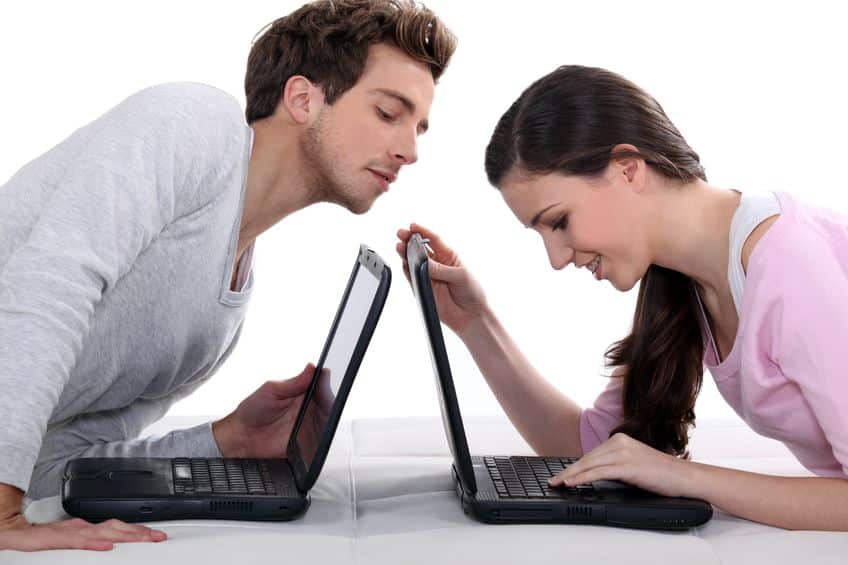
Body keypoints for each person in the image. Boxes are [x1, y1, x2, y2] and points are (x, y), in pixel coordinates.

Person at [0, 0, 455, 551]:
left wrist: (226, 441)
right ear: (303, 99)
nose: (409, 150)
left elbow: (56, 465)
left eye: (421, 129)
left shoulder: (221, 323)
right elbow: (48, 284)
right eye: (389, 113)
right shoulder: (193, 123)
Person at [396, 65, 848, 531]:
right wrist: (475, 323)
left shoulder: (789, 263)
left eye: (559, 221)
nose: (555, 258)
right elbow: (593, 450)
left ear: (627, 169)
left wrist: (685, 477)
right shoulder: (684, 282)